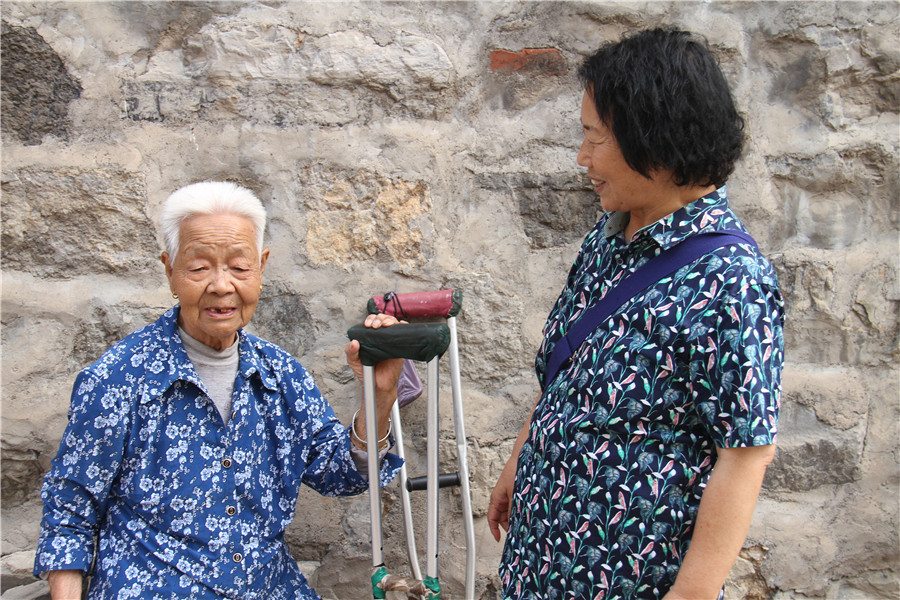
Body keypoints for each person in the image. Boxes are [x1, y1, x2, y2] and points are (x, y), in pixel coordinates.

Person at [488, 28, 784, 600]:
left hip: (628, 581)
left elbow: (744, 456)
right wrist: (520, 459)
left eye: (595, 138)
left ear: (655, 137)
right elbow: (566, 373)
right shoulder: (612, 235)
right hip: (544, 563)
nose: (582, 158)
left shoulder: (731, 281)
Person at [34, 181, 404, 599]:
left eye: (239, 267)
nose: (221, 285)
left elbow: (341, 476)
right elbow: (70, 516)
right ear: (169, 270)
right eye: (199, 267)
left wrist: (379, 396)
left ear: (261, 268)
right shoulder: (118, 378)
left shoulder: (280, 375)